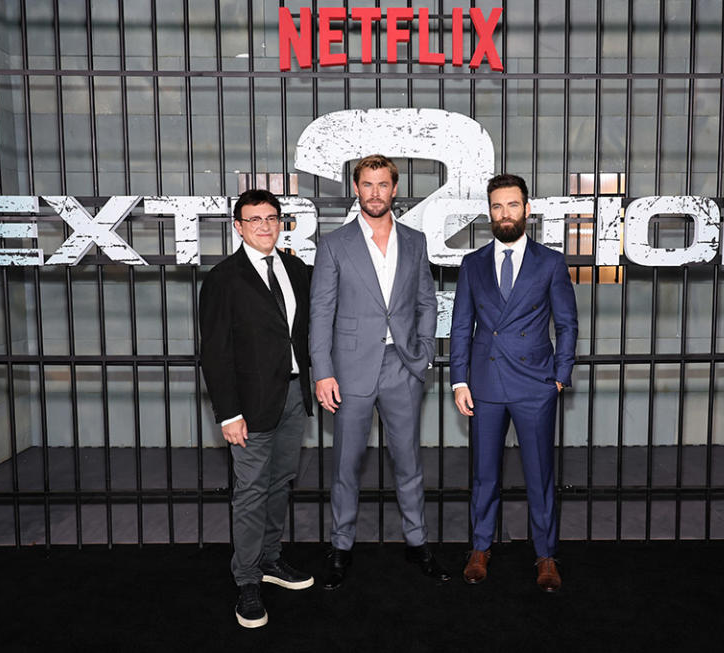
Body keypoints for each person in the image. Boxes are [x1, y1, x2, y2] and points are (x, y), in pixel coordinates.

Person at [310, 154, 450, 589]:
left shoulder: (415, 241)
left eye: (382, 184)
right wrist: (323, 371)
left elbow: (427, 301)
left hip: (403, 367)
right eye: (366, 184)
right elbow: (320, 313)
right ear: (356, 189)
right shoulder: (334, 245)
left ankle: (417, 542)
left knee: (408, 463)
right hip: (349, 371)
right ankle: (341, 547)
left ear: (394, 189)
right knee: (346, 466)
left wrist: (423, 351)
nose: (375, 192)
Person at [449, 173, 579, 592]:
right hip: (484, 384)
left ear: (527, 208)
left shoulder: (550, 262)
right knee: (484, 474)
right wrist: (458, 381)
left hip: (534, 385)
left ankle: (545, 555)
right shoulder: (472, 264)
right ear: (490, 212)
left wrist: (558, 379)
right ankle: (481, 547)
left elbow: (567, 323)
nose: (505, 214)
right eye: (497, 206)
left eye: (512, 205)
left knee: (539, 475)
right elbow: (460, 327)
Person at [199, 189, 315, 628]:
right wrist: (228, 413)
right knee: (250, 492)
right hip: (247, 406)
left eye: (272, 218)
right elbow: (215, 352)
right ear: (238, 226)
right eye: (255, 219)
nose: (265, 226)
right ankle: (246, 580)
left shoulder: (296, 269)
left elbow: (302, 336)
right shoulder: (223, 278)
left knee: (280, 483)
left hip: (292, 398)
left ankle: (270, 559)